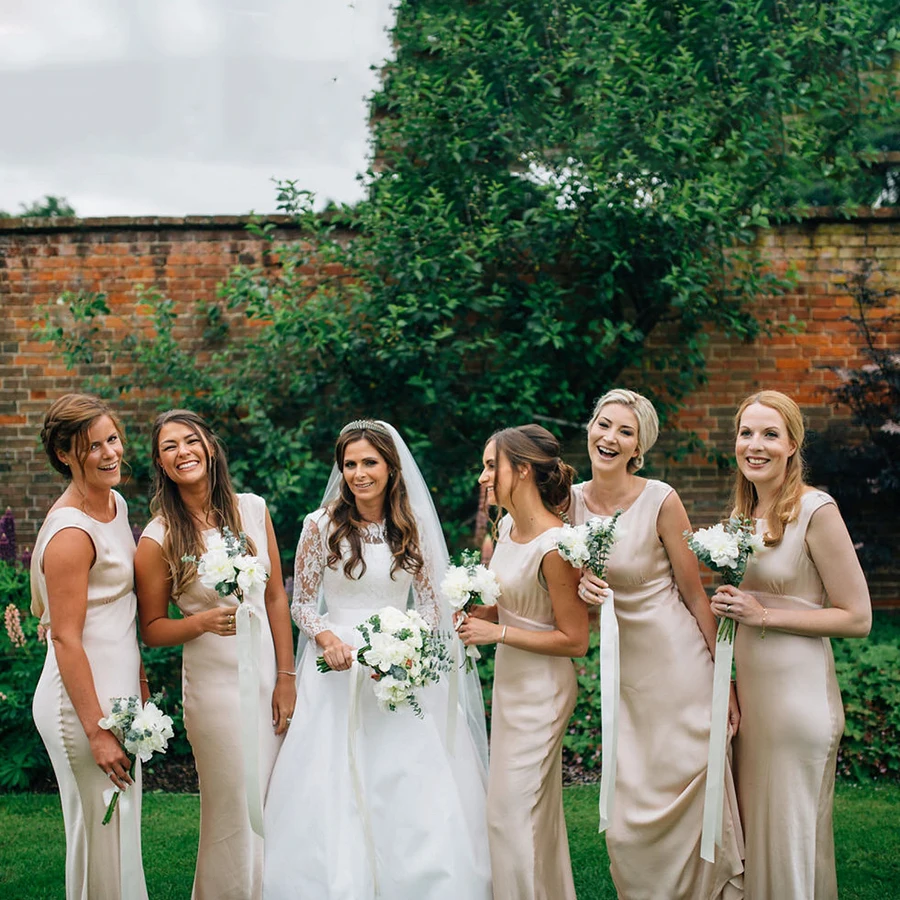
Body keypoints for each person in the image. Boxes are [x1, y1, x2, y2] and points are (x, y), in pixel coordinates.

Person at [263, 419, 491, 900]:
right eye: (350, 464)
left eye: (369, 462)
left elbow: (431, 605)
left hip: (400, 664)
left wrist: (408, 646)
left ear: (391, 466)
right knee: (332, 776)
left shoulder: (411, 527)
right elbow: (301, 601)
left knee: (407, 772)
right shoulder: (319, 525)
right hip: (336, 668)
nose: (359, 473)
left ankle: (419, 879)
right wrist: (326, 638)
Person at [574, 388, 744, 899]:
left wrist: (724, 682)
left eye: (625, 432)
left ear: (638, 448)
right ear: (590, 429)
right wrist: (583, 590)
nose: (610, 437)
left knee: (688, 781)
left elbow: (696, 595)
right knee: (629, 806)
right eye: (604, 425)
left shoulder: (661, 498)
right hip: (624, 673)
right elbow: (562, 592)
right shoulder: (569, 502)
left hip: (677, 664)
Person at [710, 390, 871, 899]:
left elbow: (858, 617)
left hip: (798, 703)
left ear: (793, 444)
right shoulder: (742, 515)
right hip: (752, 706)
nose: (755, 445)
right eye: (746, 433)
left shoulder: (815, 510)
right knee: (760, 840)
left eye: (770, 434)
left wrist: (763, 614)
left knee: (792, 842)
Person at [134, 410, 296, 900]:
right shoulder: (158, 536)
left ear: (209, 446)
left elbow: (274, 598)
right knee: (232, 804)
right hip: (214, 687)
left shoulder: (252, 508)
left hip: (267, 674)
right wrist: (200, 622)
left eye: (190, 441)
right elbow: (152, 629)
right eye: (169, 447)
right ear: (161, 464)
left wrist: (287, 676)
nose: (182, 452)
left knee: (278, 795)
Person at [458, 423, 588, 900]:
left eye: (492, 466)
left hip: (545, 691)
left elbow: (575, 640)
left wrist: (499, 632)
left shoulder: (556, 545)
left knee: (508, 815)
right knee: (533, 815)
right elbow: (501, 605)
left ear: (523, 470)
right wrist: (469, 612)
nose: (482, 477)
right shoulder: (507, 528)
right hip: (513, 686)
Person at [31, 393, 149, 900]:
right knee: (98, 831)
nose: (109, 453)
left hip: (119, 692)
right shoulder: (70, 533)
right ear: (64, 455)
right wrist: (97, 730)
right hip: (80, 704)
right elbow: (64, 636)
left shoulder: (115, 504)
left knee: (122, 828)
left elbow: (119, 607)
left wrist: (140, 680)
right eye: (92, 446)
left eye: (112, 439)